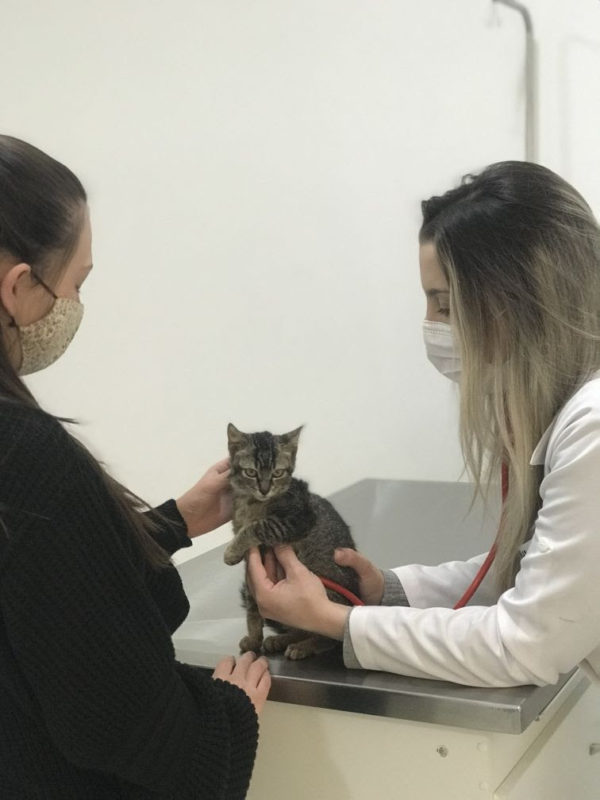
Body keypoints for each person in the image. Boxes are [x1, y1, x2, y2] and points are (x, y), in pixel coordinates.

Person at [247, 160, 600, 688]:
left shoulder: (593, 426)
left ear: (521, 300)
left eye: (444, 304)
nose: (431, 326)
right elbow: (539, 573)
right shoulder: (574, 409)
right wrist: (387, 593)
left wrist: (333, 621)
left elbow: (525, 644)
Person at [0, 134, 270, 799]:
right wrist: (232, 716)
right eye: (75, 283)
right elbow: (123, 723)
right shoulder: (26, 456)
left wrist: (173, 522)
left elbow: (43, 598)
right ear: (17, 286)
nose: (74, 305)